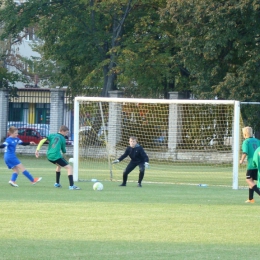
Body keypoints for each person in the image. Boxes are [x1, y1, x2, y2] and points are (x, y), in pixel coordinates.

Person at [35, 125, 80, 190]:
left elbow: (42, 141)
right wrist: (65, 155)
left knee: (59, 166)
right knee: (69, 168)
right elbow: (63, 150)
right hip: (56, 156)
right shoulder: (62, 138)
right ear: (62, 131)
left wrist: (37, 150)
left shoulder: (52, 135)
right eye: (66, 132)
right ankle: (71, 185)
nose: (66, 134)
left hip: (49, 156)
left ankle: (57, 183)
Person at [239, 126, 260, 203]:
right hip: (258, 163)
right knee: (252, 180)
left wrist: (241, 160)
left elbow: (245, 152)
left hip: (251, 164)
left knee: (248, 180)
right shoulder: (257, 141)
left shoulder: (246, 142)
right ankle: (251, 199)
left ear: (244, 134)